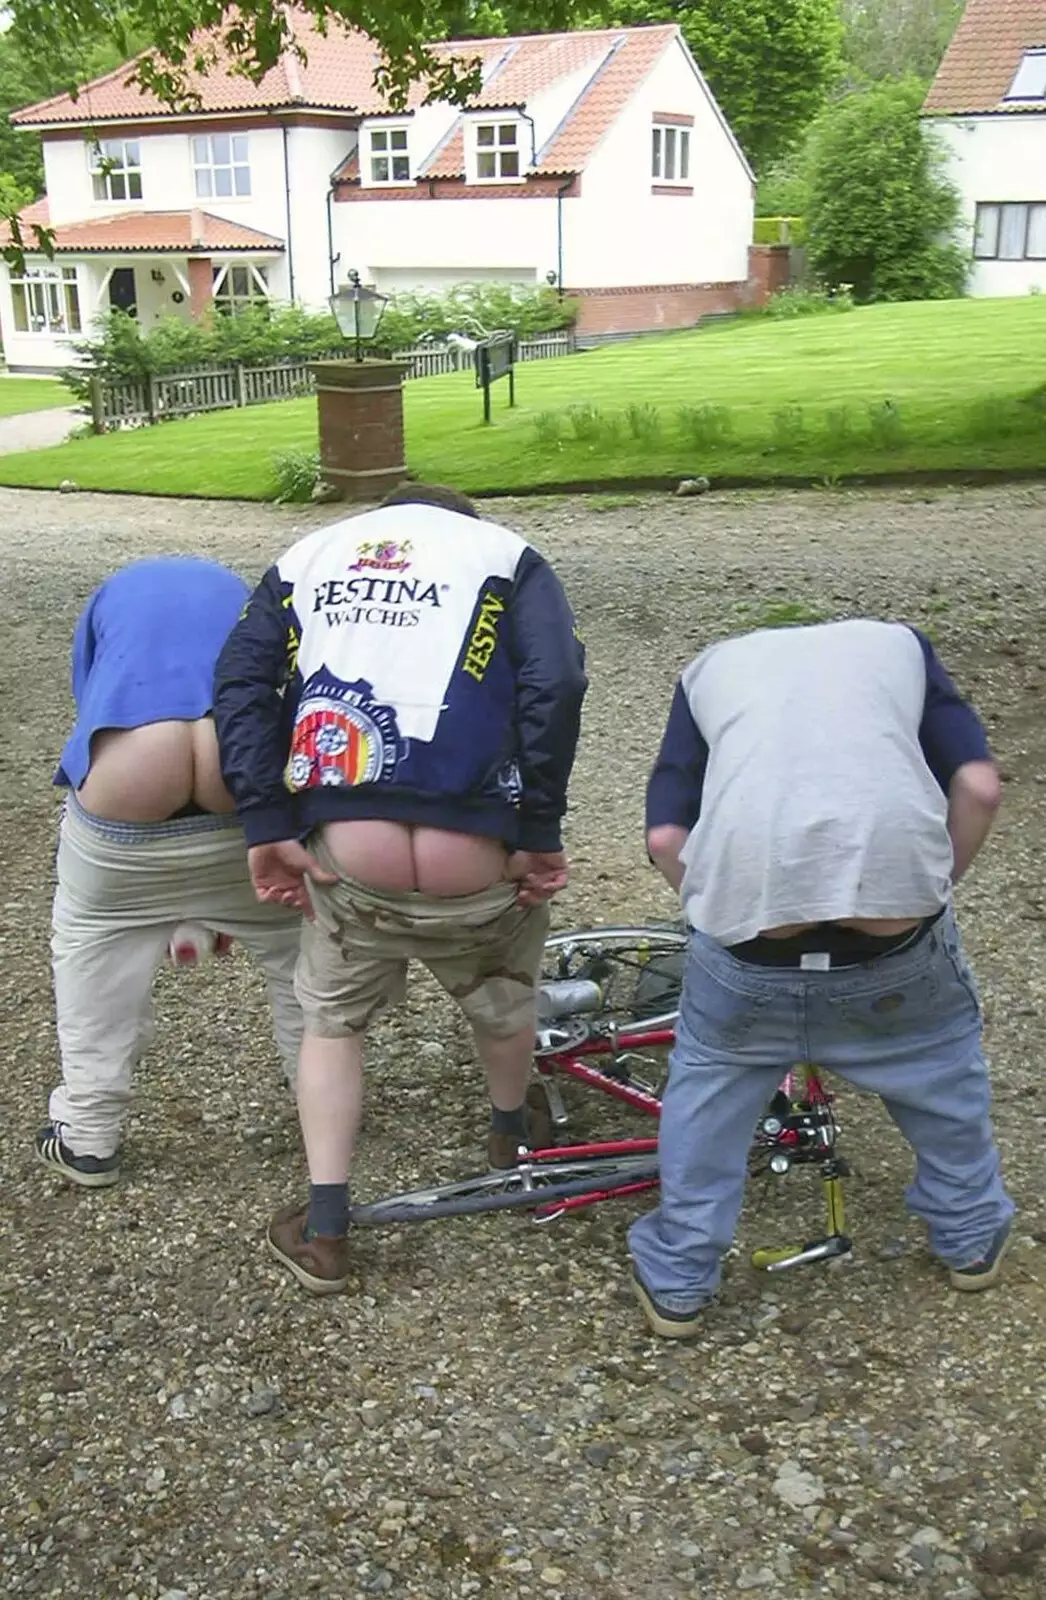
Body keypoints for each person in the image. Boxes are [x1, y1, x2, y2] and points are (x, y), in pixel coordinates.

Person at [213, 482, 587, 1295]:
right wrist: (537, 829)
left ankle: (326, 1226)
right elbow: (555, 686)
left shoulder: (306, 558)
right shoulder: (507, 559)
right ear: (462, 523)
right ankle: (508, 1136)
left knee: (332, 1025)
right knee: (503, 999)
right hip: (478, 850)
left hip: (353, 854)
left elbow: (240, 687)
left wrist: (265, 820)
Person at [630, 617, 1010, 1339]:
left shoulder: (706, 671)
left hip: (753, 953)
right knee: (940, 1073)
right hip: (891, 946)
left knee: (707, 1093)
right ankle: (969, 1241)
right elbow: (980, 788)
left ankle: (680, 1279)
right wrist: (930, 891)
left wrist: (718, 910)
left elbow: (665, 837)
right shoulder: (903, 647)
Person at [36, 556, 304, 1189]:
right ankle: (320, 1088)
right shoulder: (248, 601)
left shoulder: (107, 599)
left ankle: (90, 1136)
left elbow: (92, 700)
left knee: (89, 945)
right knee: (298, 950)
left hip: (129, 789)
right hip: (236, 786)